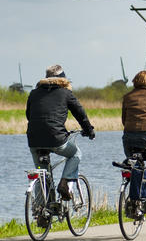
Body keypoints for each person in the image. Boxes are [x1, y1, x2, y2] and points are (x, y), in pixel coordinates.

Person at [26, 64, 96, 200]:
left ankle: (43, 213)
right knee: (76, 153)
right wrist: (89, 130)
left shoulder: (34, 93)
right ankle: (64, 182)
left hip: (34, 140)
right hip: (56, 138)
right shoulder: (65, 93)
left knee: (42, 173)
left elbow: (29, 115)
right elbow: (80, 113)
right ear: (63, 79)